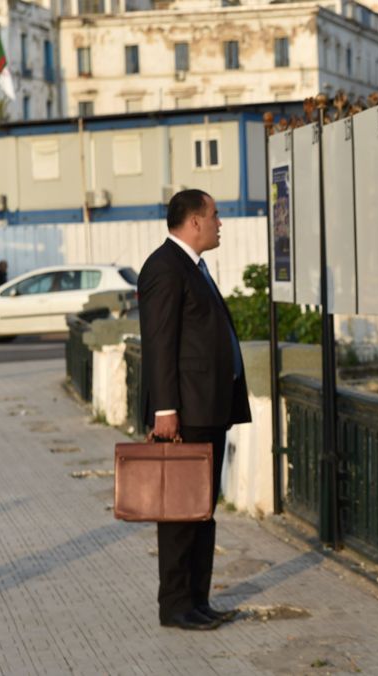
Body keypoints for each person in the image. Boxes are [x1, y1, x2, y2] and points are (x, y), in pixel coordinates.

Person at [138, 189, 251, 631]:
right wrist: (165, 410)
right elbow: (160, 343)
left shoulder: (192, 267)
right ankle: (175, 605)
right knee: (180, 512)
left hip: (210, 408)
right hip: (186, 412)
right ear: (195, 222)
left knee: (202, 509)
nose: (221, 223)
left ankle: (197, 600)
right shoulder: (165, 268)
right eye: (216, 215)